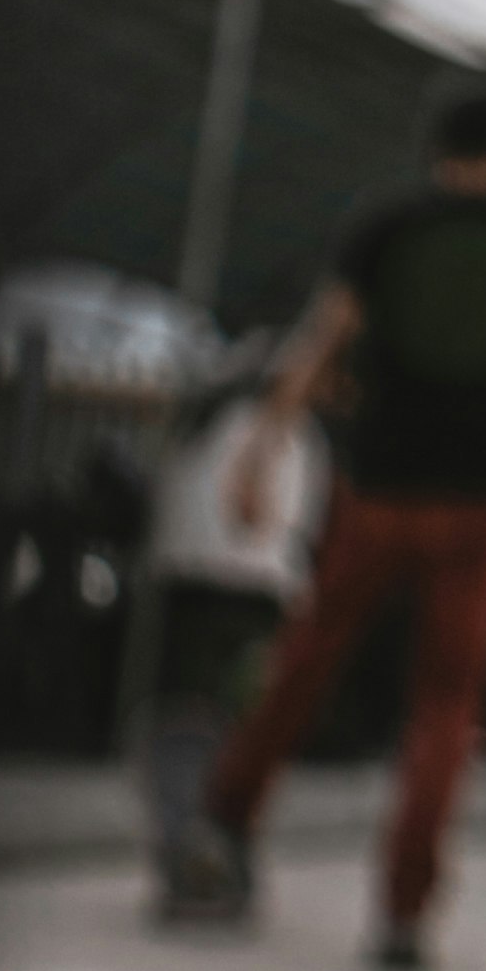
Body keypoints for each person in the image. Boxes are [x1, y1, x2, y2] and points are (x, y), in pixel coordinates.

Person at [174, 87, 486, 967]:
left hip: (378, 490)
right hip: (478, 502)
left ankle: (223, 822)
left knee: (309, 656)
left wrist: (259, 450)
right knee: (446, 702)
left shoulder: (389, 225)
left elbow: (322, 338)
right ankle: (401, 913)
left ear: (437, 149)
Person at [141, 348, 327, 917]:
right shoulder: (291, 435)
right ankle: (220, 860)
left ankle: (182, 852)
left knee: (182, 723)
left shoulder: (202, 422)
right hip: (253, 599)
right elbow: (282, 528)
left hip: (186, 591)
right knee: (237, 734)